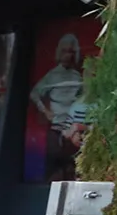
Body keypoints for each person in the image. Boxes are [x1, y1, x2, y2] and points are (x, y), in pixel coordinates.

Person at [29, 33, 88, 182]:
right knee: (53, 169)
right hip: (56, 129)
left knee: (74, 169)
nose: (68, 55)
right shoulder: (52, 76)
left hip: (74, 131)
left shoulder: (77, 77)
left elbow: (84, 97)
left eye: (71, 52)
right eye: (65, 51)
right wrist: (45, 111)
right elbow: (34, 93)